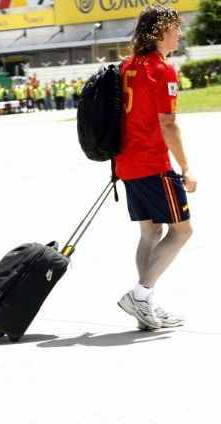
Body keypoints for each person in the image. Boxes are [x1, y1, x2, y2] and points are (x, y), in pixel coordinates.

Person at [116, 4, 196, 330]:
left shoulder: (129, 65)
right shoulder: (162, 70)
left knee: (150, 231)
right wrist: (187, 167)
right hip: (153, 162)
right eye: (176, 27)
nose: (180, 33)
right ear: (161, 30)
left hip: (126, 162)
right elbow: (168, 124)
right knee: (182, 230)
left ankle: (144, 304)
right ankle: (141, 293)